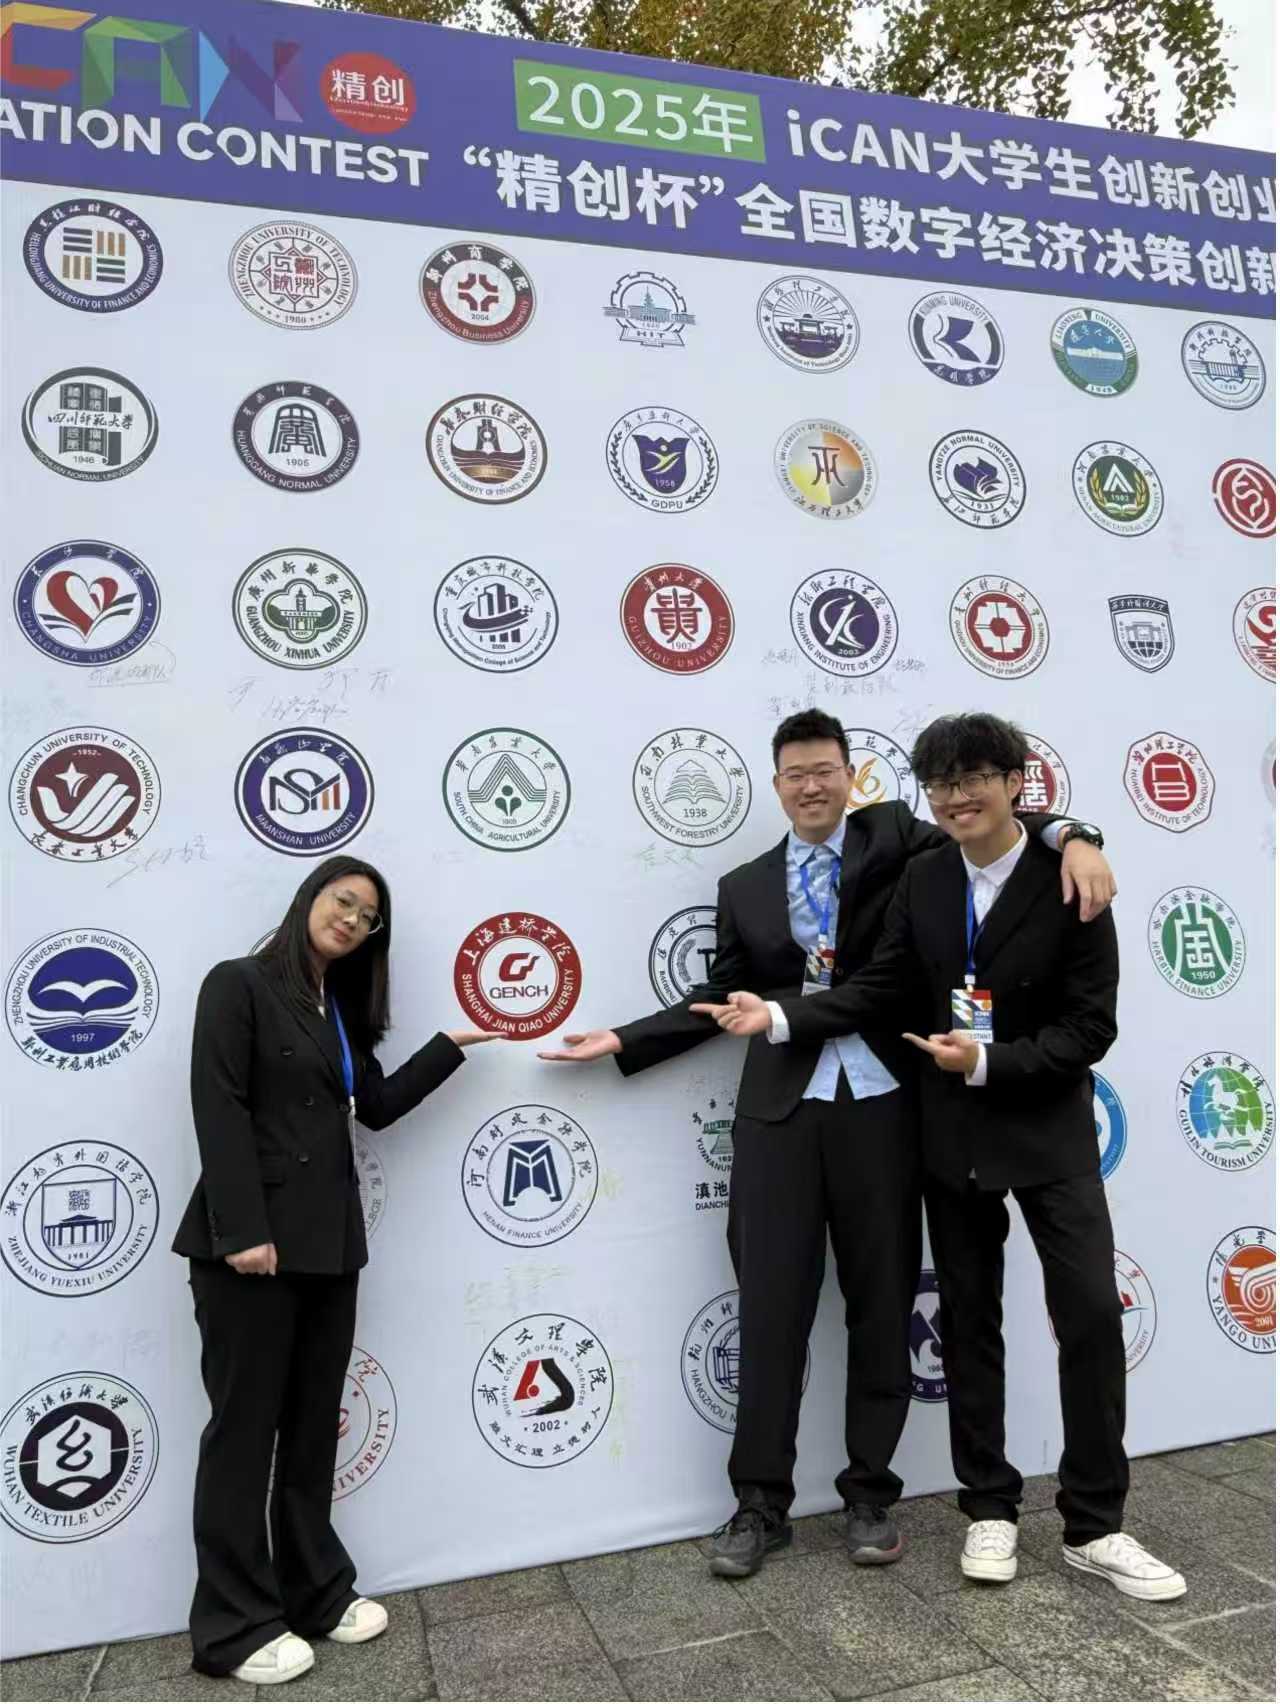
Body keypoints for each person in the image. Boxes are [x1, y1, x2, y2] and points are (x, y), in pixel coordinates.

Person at [540, 708, 1115, 1578]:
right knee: (770, 1309)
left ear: (852, 776)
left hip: (887, 1110)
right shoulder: (743, 885)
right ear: (776, 787)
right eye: (794, 775)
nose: (811, 786)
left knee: (883, 1305)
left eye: (825, 771)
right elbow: (723, 997)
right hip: (780, 1112)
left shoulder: (901, 842)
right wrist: (625, 1038)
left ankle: (870, 1495)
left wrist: (1078, 836)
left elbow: (992, 821)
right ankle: (757, 1504)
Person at [694, 712, 1186, 1601]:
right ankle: (989, 1507)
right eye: (943, 784)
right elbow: (881, 984)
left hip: (1046, 1133)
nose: (959, 797)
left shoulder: (1070, 876)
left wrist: (1078, 835)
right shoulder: (922, 876)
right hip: (948, 1135)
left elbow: (1091, 1026)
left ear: (1015, 782)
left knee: (1088, 1314)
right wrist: (776, 1016)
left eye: (975, 779)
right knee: (965, 1321)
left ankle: (1096, 1524)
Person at [173, 855, 499, 1684]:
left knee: (314, 1428)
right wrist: (244, 1231)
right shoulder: (238, 983)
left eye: (367, 917)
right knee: (244, 1435)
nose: (351, 920)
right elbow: (218, 1103)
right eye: (342, 901)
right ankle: (233, 1626)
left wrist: (449, 1047)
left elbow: (376, 1109)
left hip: (330, 1248)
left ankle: (315, 1593)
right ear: (309, 899)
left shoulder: (339, 1011)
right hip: (250, 1251)